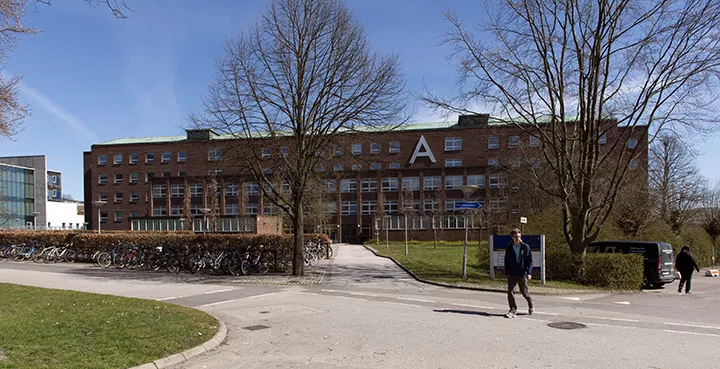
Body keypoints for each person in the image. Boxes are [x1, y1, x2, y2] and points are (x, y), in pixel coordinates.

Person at [504, 228, 534, 318]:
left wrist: (529, 272)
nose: (518, 238)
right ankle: (513, 309)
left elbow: (530, 261)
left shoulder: (525, 247)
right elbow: (506, 260)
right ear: (512, 237)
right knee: (510, 292)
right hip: (512, 273)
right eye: (516, 237)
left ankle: (530, 304)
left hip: (522, 273)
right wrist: (507, 271)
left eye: (519, 236)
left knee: (524, 292)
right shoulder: (509, 247)